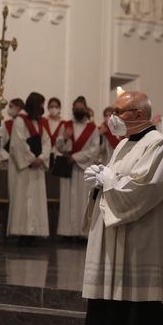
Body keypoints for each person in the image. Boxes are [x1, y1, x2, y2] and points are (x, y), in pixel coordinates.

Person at [80, 90, 163, 325]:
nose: (113, 118)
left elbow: (144, 190)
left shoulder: (159, 146)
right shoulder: (124, 144)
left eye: (119, 112)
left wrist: (108, 178)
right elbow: (117, 183)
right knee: (120, 315)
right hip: (120, 246)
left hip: (143, 247)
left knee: (142, 318)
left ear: (138, 115)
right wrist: (101, 180)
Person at [8, 92, 51, 243]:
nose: (43, 108)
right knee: (23, 199)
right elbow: (17, 143)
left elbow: (46, 141)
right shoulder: (20, 121)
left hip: (37, 167)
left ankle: (34, 233)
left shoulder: (40, 122)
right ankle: (21, 233)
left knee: (36, 200)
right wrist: (31, 159)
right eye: (41, 104)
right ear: (34, 104)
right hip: (24, 169)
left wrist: (41, 158)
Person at [54, 96, 97, 239]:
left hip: (83, 169)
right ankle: (67, 232)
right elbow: (58, 146)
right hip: (68, 168)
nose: (79, 110)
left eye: (81, 108)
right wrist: (65, 138)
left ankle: (82, 233)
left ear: (86, 109)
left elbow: (94, 149)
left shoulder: (92, 128)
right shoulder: (66, 125)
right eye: (76, 108)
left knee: (82, 200)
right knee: (67, 200)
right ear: (72, 109)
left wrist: (76, 157)